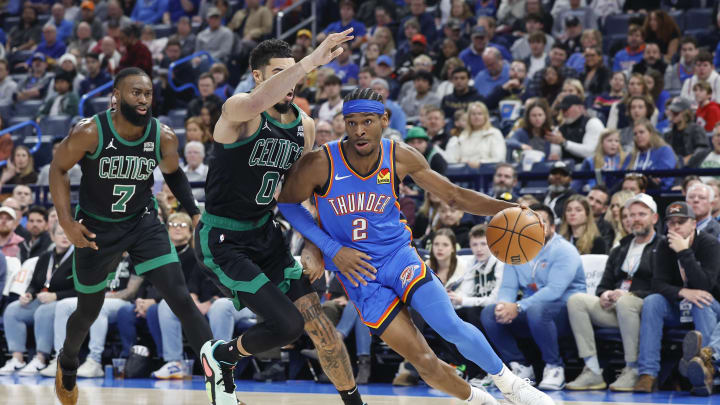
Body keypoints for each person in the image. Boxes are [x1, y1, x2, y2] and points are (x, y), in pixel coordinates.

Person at [277, 86, 555, 405]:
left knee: (450, 325)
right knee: (423, 362)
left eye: (367, 121)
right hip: (359, 276)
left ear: (385, 120)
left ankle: (512, 386)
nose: (358, 130)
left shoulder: (400, 155)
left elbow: (453, 195)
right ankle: (479, 400)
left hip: (399, 258)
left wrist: (505, 207)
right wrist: (331, 248)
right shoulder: (321, 162)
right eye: (351, 122)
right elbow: (287, 203)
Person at [193, 33, 368, 405]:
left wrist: (313, 246)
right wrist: (310, 62)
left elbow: (298, 195)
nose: (290, 82)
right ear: (259, 76)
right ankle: (221, 357)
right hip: (223, 240)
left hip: (266, 234)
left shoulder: (303, 126)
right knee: (286, 324)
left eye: (292, 74)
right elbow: (259, 100)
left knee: (319, 324)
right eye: (279, 74)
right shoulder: (239, 109)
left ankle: (354, 402)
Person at [49, 67, 214, 405]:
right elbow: (58, 168)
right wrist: (66, 221)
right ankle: (67, 361)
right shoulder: (91, 131)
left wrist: (196, 213)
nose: (143, 99)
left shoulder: (163, 136)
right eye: (135, 92)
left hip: (142, 222)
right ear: (116, 95)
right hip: (96, 228)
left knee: (181, 298)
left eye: (148, 93)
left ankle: (221, 386)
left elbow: (175, 175)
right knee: (87, 312)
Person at [480, 204, 585, 391]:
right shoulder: (515, 249)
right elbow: (508, 287)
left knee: (538, 310)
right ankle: (520, 366)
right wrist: (504, 305)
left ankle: (554, 367)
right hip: (531, 310)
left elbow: (554, 291)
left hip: (566, 310)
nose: (533, 226)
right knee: (490, 313)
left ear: (552, 227)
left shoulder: (564, 250)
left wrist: (518, 307)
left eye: (541, 222)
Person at [566, 193, 661, 391]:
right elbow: (604, 284)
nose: (635, 219)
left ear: (654, 218)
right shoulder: (620, 249)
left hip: (646, 308)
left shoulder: (662, 246)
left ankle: (632, 369)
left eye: (641, 214)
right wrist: (605, 294)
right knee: (576, 300)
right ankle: (592, 370)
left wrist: (631, 295)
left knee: (626, 302)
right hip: (617, 309)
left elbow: (662, 285)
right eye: (631, 214)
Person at [634, 201, 720, 392]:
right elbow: (657, 284)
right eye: (671, 223)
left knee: (701, 300)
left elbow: (706, 285)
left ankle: (706, 369)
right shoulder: (664, 245)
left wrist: (684, 252)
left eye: (681, 222)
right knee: (652, 301)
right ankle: (648, 373)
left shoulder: (709, 244)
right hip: (679, 305)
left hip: (710, 306)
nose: (676, 227)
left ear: (694, 223)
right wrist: (682, 292)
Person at [0, 222, 74, 376]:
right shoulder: (46, 257)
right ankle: (17, 358)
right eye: (60, 233)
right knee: (13, 310)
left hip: (67, 301)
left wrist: (56, 296)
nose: (65, 237)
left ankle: (41, 358)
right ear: (52, 236)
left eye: (68, 233)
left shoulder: (79, 258)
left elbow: (82, 289)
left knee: (43, 311)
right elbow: (35, 283)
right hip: (44, 299)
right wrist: (29, 294)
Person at [445, 102, 506, 166]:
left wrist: (480, 163)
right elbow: (454, 159)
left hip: (487, 172)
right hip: (463, 173)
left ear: (485, 116)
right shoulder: (463, 135)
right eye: (473, 114)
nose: (476, 117)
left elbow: (499, 159)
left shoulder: (494, 133)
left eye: (480, 114)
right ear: (469, 117)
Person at [621, 120, 678, 190]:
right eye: (635, 134)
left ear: (651, 133)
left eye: (641, 132)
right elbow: (623, 176)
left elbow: (662, 178)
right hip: (631, 192)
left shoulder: (664, 150)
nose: (638, 136)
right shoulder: (631, 156)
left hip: (658, 191)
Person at [664, 98, 709, 167]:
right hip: (674, 170)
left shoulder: (696, 130)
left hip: (693, 170)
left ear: (686, 113)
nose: (673, 114)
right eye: (672, 112)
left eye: (676, 112)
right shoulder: (668, 134)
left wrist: (685, 160)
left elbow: (703, 150)